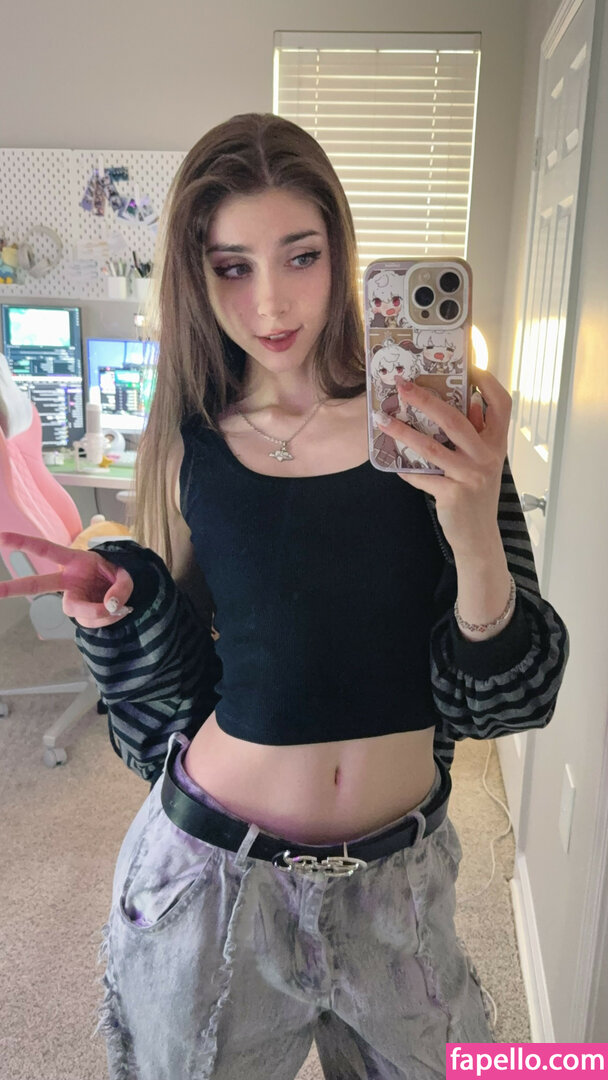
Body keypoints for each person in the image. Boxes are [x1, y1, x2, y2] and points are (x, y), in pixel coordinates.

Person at [0, 113, 569, 1080]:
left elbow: (513, 701)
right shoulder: (189, 440)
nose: (270, 301)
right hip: (213, 883)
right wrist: (123, 611)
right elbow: (164, 722)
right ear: (196, 274)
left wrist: (474, 527)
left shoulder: (436, 428)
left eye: (300, 255)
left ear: (339, 252)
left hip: (399, 886)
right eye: (232, 266)